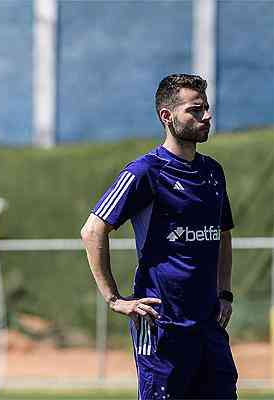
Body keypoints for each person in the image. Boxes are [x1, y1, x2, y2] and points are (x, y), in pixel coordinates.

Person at [80, 74, 237, 399]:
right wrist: (114, 299)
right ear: (167, 116)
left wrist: (225, 293)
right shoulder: (145, 172)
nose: (206, 116)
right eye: (195, 110)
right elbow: (92, 230)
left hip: (208, 325)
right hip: (161, 325)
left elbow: (222, 234)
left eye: (206, 108)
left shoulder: (213, 172)